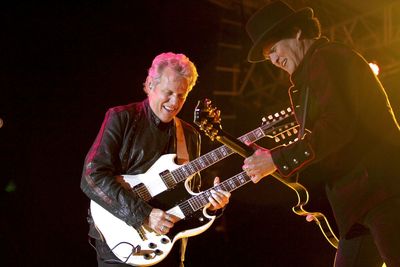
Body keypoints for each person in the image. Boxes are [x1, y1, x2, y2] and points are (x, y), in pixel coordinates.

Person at [242, 1, 400, 266]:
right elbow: (334, 146)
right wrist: (320, 203)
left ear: (297, 32)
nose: (272, 59)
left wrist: (277, 159)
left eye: (274, 48)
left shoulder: (326, 57)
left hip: (383, 191)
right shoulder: (308, 77)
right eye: (268, 55)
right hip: (358, 204)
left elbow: (338, 125)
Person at [80, 52, 230, 267]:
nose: (174, 102)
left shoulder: (190, 134)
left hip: (168, 247)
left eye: (182, 95)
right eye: (168, 93)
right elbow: (92, 177)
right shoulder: (122, 118)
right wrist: (144, 214)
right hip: (119, 243)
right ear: (150, 84)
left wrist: (212, 205)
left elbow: (191, 193)